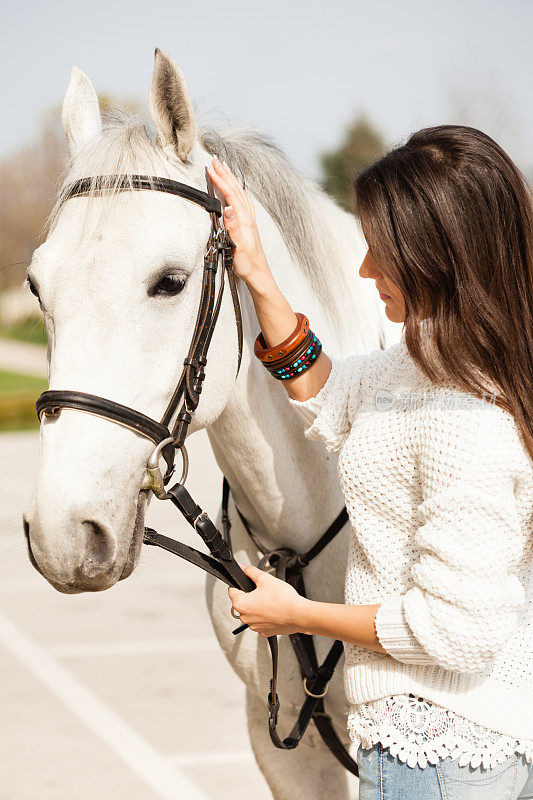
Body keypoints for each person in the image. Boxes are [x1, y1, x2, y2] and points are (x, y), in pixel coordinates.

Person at [205, 124, 533, 799]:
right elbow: (325, 396)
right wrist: (258, 271)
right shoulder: (416, 368)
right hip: (412, 751)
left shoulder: (466, 420)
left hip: (444, 764)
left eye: (380, 252)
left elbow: (453, 633)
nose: (363, 271)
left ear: (436, 258)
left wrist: (295, 614)